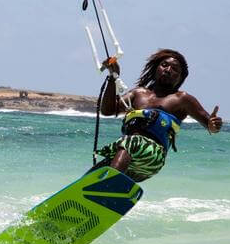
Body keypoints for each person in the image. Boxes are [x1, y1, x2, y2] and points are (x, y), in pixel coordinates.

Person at [95, 49, 222, 182]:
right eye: (164, 65)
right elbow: (108, 110)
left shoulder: (182, 99)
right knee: (98, 172)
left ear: (180, 78)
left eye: (175, 69)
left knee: (132, 142)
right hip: (127, 156)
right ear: (156, 68)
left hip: (153, 156)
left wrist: (213, 125)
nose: (168, 70)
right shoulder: (138, 93)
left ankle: (107, 185)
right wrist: (112, 77)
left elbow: (210, 124)